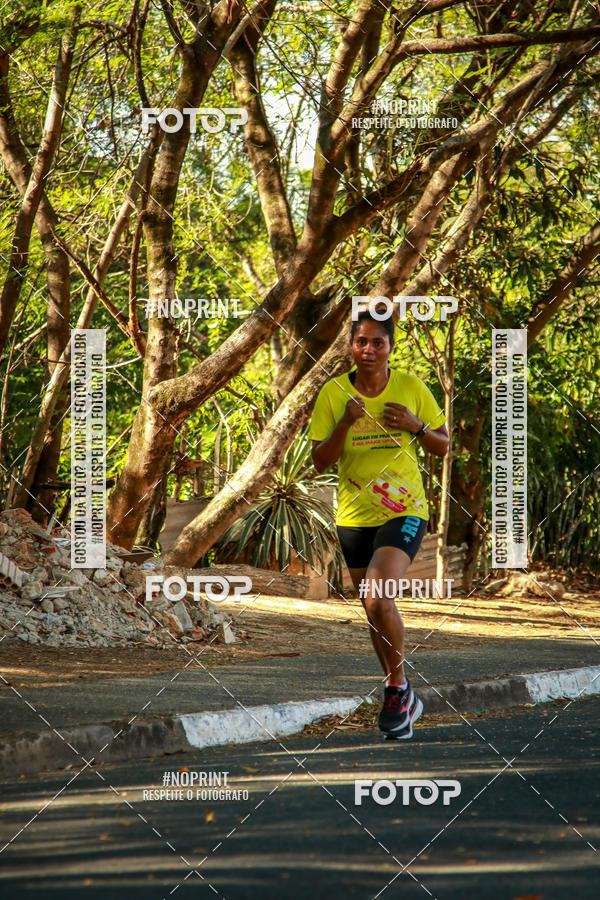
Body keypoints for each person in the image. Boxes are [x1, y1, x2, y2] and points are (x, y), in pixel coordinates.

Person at [309, 309, 449, 739]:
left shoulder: (411, 387)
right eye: (360, 342)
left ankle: (394, 689)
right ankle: (404, 691)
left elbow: (444, 447)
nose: (368, 350)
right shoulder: (333, 395)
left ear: (390, 347)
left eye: (377, 343)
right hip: (353, 516)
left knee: (376, 597)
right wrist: (346, 423)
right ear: (351, 346)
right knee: (375, 611)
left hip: (404, 509)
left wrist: (415, 425)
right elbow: (319, 462)